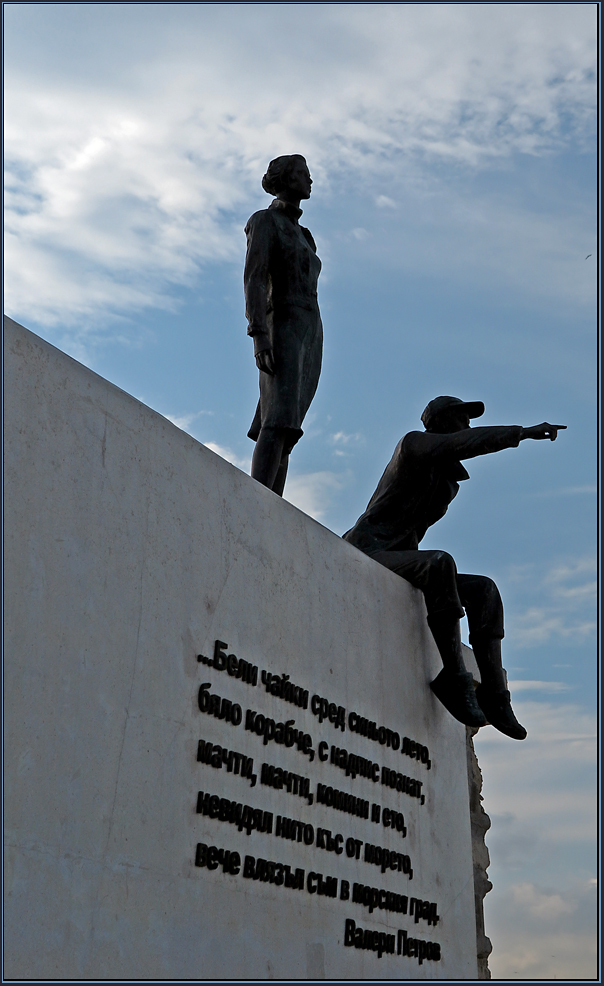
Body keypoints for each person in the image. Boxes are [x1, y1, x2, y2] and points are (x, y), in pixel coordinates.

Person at [343, 396, 566, 738]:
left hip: (403, 559)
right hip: (368, 551)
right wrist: (522, 433)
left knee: (484, 590)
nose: (468, 426)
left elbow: (460, 445)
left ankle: (496, 696)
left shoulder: (446, 478)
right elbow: (465, 443)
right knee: (439, 562)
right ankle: (454, 677)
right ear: (442, 422)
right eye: (462, 419)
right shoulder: (413, 445)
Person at [244, 154, 323, 495]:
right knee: (276, 419)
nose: (310, 180)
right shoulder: (265, 221)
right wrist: (259, 334)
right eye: (303, 174)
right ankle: (259, 498)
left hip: (311, 328)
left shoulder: (305, 235)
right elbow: (255, 279)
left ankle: (274, 504)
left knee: (289, 427)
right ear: (285, 179)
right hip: (283, 322)